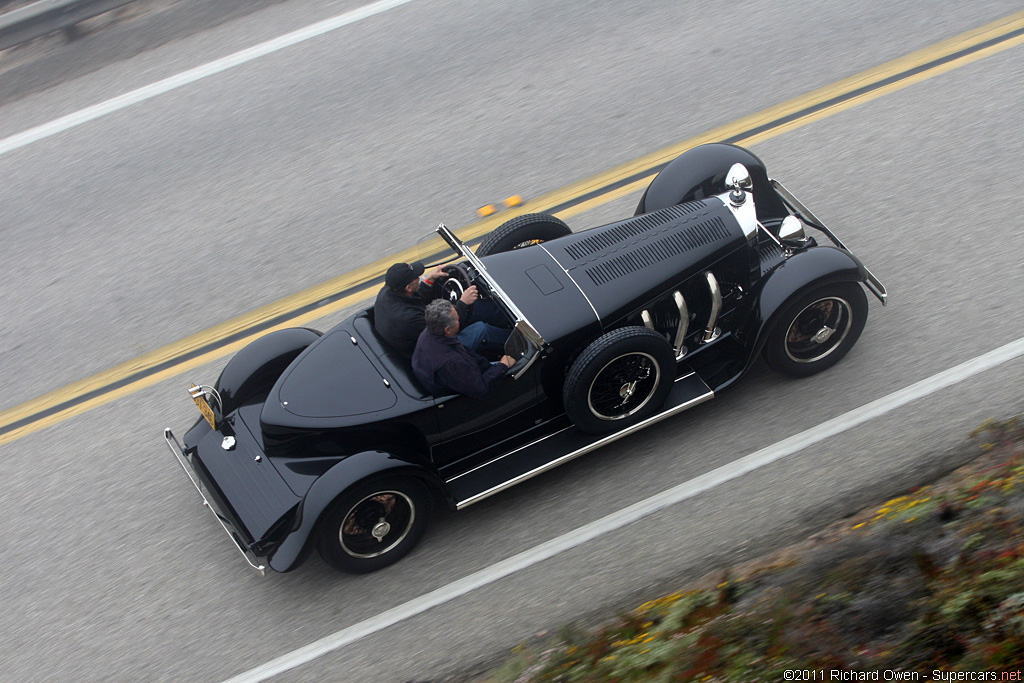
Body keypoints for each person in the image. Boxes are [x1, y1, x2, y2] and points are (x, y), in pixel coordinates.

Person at [374, 261, 507, 357]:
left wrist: (430, 280)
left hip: (420, 336)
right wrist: (462, 303)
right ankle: (519, 341)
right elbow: (444, 330)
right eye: (416, 278)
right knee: (481, 329)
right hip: (437, 350)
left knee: (477, 310)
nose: (419, 278)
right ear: (408, 287)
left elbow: (414, 298)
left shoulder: (388, 291)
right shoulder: (407, 318)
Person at [412, 300, 516, 399]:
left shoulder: (429, 332)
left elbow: (464, 350)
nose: (459, 319)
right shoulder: (451, 363)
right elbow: (481, 389)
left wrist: (487, 366)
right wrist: (502, 366)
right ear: (447, 330)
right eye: (457, 319)